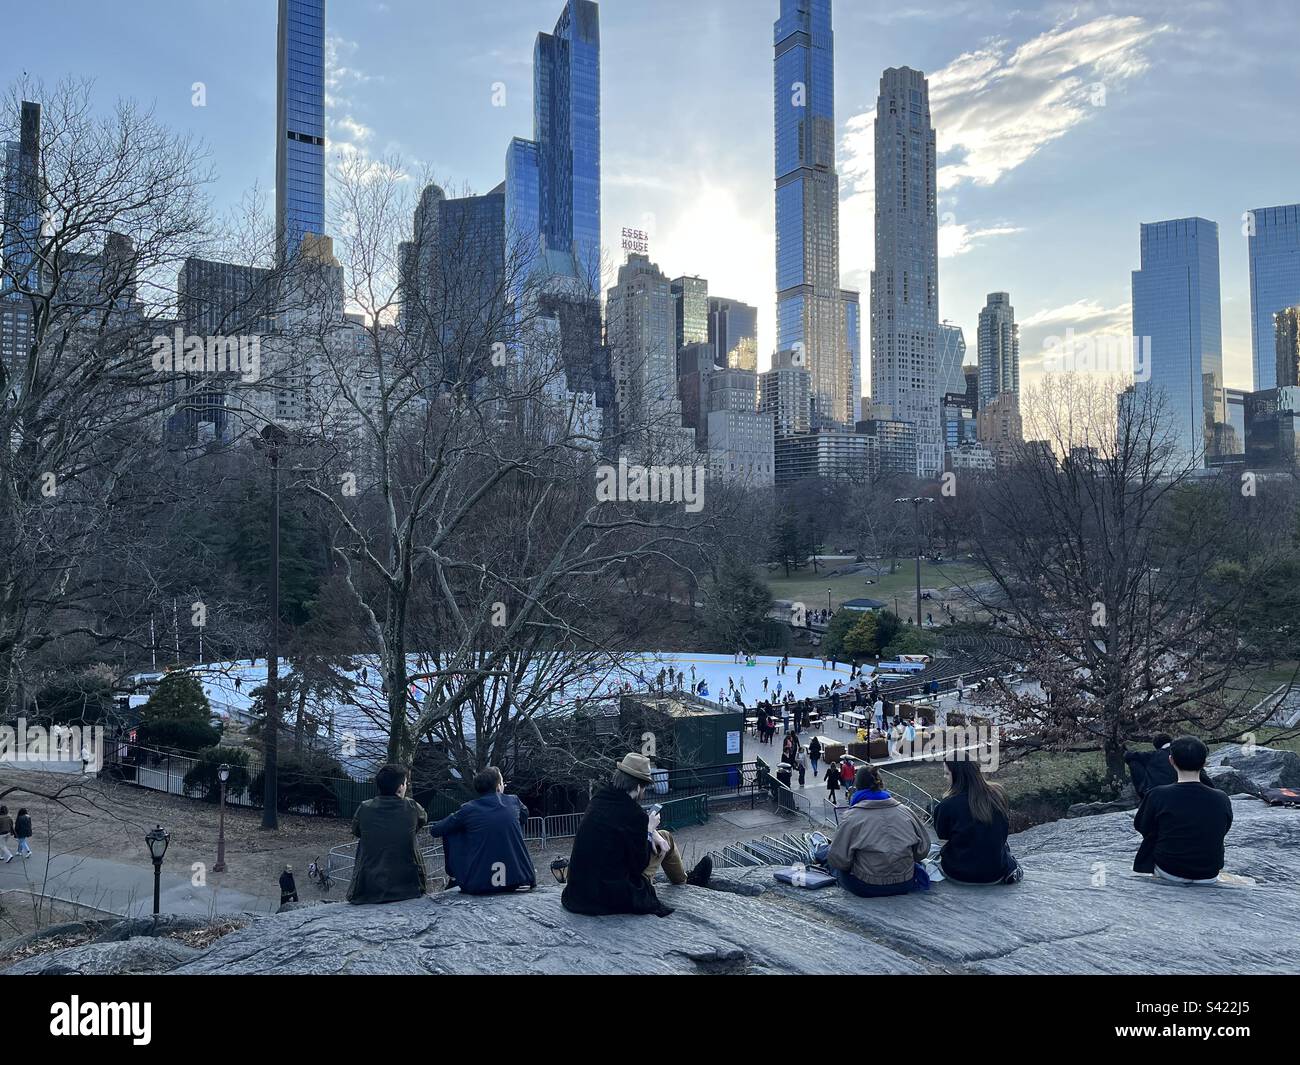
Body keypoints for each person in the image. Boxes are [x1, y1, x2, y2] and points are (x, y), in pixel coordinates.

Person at [561, 753, 710, 918]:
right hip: (608, 895)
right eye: (645, 787)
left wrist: (652, 832)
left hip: (579, 892)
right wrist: (648, 829)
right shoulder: (634, 814)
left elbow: (620, 835)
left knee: (662, 836)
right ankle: (685, 882)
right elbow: (638, 864)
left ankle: (684, 880)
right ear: (639, 786)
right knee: (666, 838)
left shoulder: (600, 798)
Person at [1133, 737, 1233, 884]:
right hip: (1208, 874)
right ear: (1205, 762)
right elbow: (1224, 828)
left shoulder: (1157, 795)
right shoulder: (1221, 798)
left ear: (1171, 760)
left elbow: (1142, 826)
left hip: (1168, 870)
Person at [821, 765, 930, 897]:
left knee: (831, 860)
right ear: (881, 785)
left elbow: (839, 860)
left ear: (856, 787)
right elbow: (922, 850)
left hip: (867, 885)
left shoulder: (852, 816)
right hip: (905, 881)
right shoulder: (906, 811)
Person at [429, 766, 536, 894]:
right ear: (498, 786)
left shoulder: (468, 809)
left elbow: (436, 830)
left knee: (453, 829)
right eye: (502, 782)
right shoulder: (513, 801)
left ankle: (455, 876)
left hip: (480, 882)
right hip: (519, 879)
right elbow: (524, 815)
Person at [346, 764, 429, 905]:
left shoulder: (365, 807)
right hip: (409, 887)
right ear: (399, 787)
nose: (406, 786)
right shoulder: (412, 806)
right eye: (405, 783)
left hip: (368, 887)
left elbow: (356, 831)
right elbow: (422, 821)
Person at [933, 761, 1022, 885]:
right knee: (1003, 846)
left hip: (958, 873)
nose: (944, 777)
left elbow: (943, 835)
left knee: (934, 850)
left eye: (947, 774)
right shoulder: (997, 794)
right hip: (995, 873)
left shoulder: (946, 805)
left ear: (959, 776)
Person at [1125, 734, 1213, 800]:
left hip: (1157, 794)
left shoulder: (1153, 755)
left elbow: (1128, 756)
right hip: (1195, 790)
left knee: (1134, 762)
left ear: (1172, 760)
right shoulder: (1187, 752)